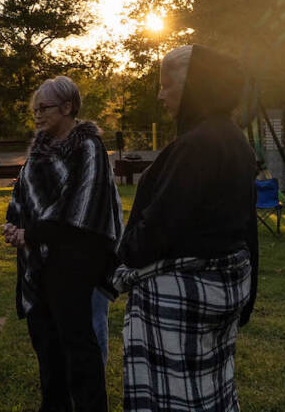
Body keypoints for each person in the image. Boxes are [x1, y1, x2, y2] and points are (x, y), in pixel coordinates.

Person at [116, 45, 259, 412]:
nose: (160, 94)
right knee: (209, 394)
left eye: (167, 84)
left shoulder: (197, 146)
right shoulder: (234, 138)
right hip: (223, 295)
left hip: (181, 303)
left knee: (176, 400)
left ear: (196, 84)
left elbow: (158, 229)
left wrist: (126, 251)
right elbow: (248, 227)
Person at [4, 76, 123, 412]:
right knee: (45, 341)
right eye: (35, 110)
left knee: (77, 344)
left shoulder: (89, 148)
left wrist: (32, 233)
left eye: (44, 108)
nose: (38, 116)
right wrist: (15, 226)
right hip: (39, 259)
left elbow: (81, 208)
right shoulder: (40, 150)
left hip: (76, 260)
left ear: (68, 107)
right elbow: (24, 195)